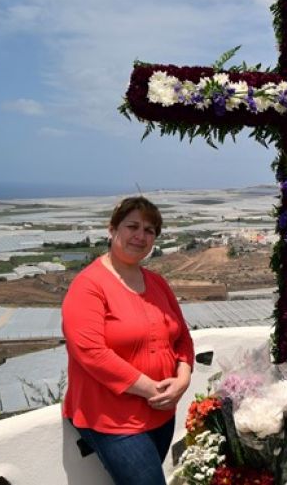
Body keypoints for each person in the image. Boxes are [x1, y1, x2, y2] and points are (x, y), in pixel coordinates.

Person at [62, 196, 194, 485]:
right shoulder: (89, 285)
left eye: (149, 230)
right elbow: (90, 352)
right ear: (112, 229)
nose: (140, 236)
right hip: (113, 419)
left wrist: (183, 378)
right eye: (132, 226)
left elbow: (182, 337)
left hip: (161, 413)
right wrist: (153, 389)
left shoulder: (157, 282)